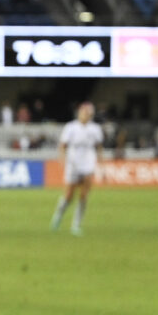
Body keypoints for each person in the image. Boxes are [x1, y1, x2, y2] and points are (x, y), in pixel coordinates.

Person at [51, 101, 103, 236]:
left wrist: (101, 163)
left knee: (84, 195)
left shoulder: (95, 129)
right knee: (69, 195)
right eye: (83, 112)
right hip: (73, 162)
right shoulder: (71, 127)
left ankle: (76, 225)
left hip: (88, 162)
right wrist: (62, 159)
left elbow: (98, 147)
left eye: (88, 113)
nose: (85, 115)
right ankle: (58, 215)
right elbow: (63, 145)